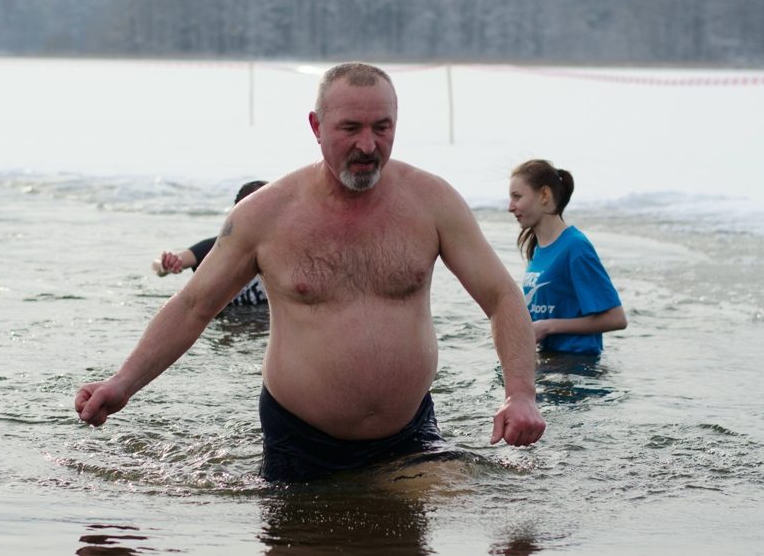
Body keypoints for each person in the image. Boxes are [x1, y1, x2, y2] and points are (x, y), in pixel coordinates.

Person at [75, 62, 546, 482]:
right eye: (351, 128)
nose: (368, 145)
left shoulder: (432, 201)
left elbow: (501, 297)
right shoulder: (265, 214)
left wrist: (520, 393)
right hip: (300, 441)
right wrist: (123, 383)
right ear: (316, 127)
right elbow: (194, 306)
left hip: (410, 431)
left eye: (382, 128)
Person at [508, 159, 627, 355]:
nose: (510, 207)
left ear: (544, 195)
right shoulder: (538, 247)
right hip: (549, 362)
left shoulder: (575, 247)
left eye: (517, 197)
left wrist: (548, 327)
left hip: (578, 365)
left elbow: (616, 319)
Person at [151, 180, 269, 308]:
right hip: (225, 317)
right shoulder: (216, 248)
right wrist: (166, 265)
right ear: (237, 213)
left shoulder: (279, 252)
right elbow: (157, 265)